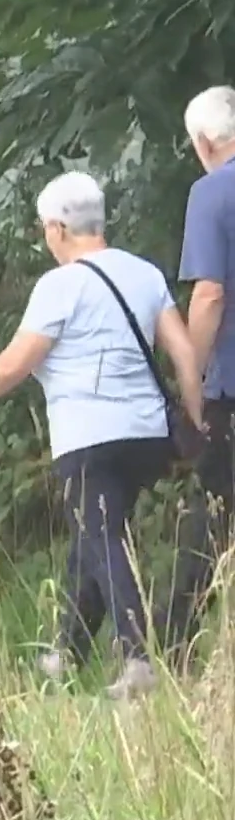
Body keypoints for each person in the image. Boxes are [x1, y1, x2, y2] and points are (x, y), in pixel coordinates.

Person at [0, 171, 200, 700]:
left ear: (57, 228)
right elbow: (185, 351)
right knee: (91, 537)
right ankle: (67, 654)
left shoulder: (60, 285)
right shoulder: (144, 274)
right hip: (146, 435)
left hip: (88, 434)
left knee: (102, 536)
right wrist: (193, 420)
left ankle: (138, 659)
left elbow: (17, 362)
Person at [164, 85, 235, 667]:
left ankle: (175, 647)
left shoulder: (213, 194)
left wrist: (194, 377)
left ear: (206, 142)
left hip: (232, 387)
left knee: (212, 511)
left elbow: (209, 293)